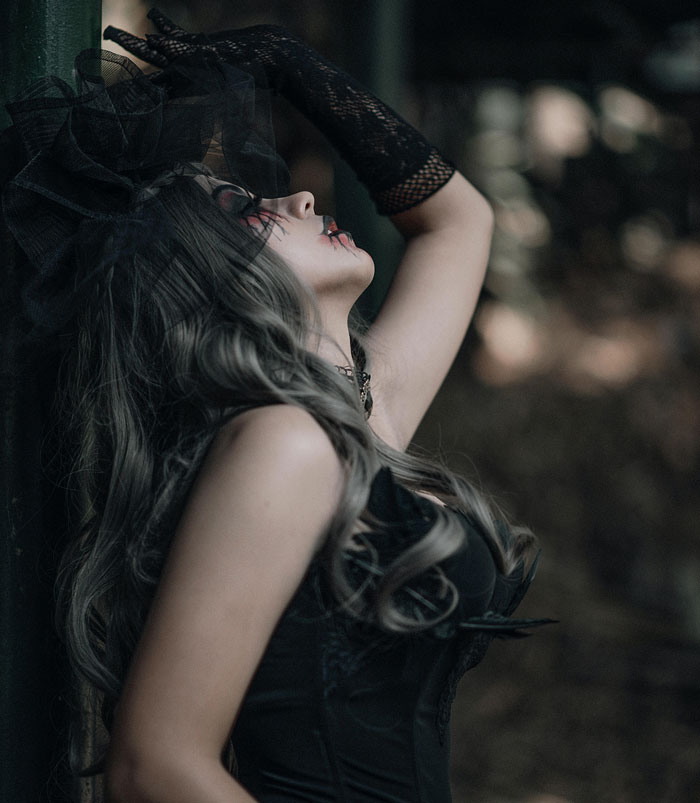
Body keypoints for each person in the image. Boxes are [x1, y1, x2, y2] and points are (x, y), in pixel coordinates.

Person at [3, 9, 551, 803]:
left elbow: (458, 221)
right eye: (247, 211)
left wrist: (298, 70)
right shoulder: (284, 445)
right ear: (211, 282)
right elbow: (153, 765)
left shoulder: (357, 421)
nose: (298, 195)